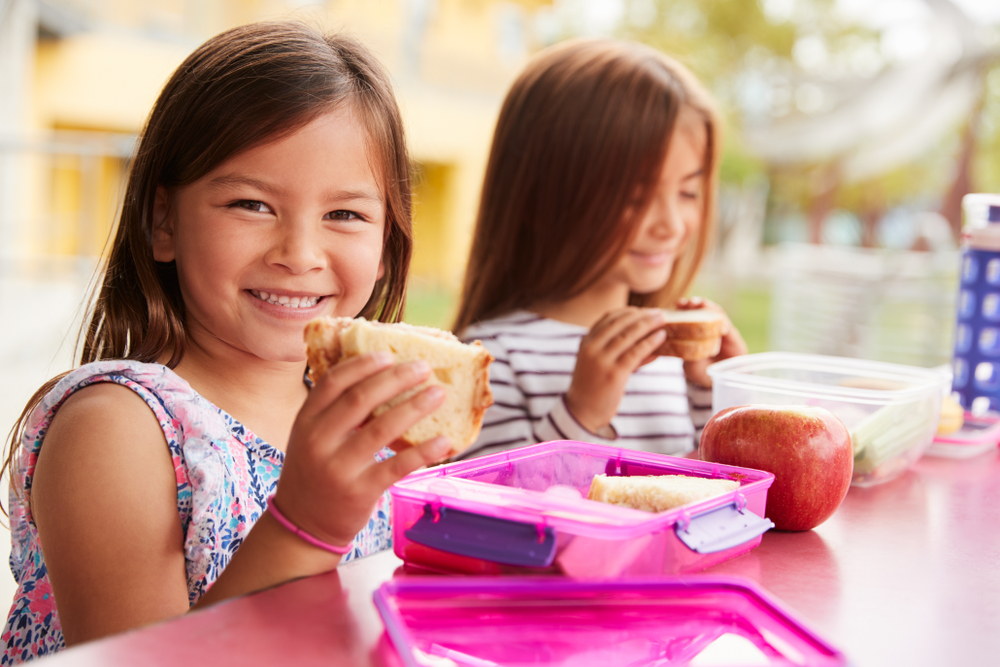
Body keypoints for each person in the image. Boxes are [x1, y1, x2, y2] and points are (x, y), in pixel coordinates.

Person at [0, 22, 453, 663]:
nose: (299, 254)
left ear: (386, 247)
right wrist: (306, 527)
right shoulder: (116, 429)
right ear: (164, 224)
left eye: (344, 215)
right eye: (250, 204)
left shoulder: (372, 422)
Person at [452, 38, 747, 460]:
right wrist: (581, 412)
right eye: (635, 197)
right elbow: (492, 510)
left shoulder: (669, 363)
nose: (671, 225)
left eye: (687, 192)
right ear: (542, 195)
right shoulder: (492, 358)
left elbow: (707, 490)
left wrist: (716, 391)